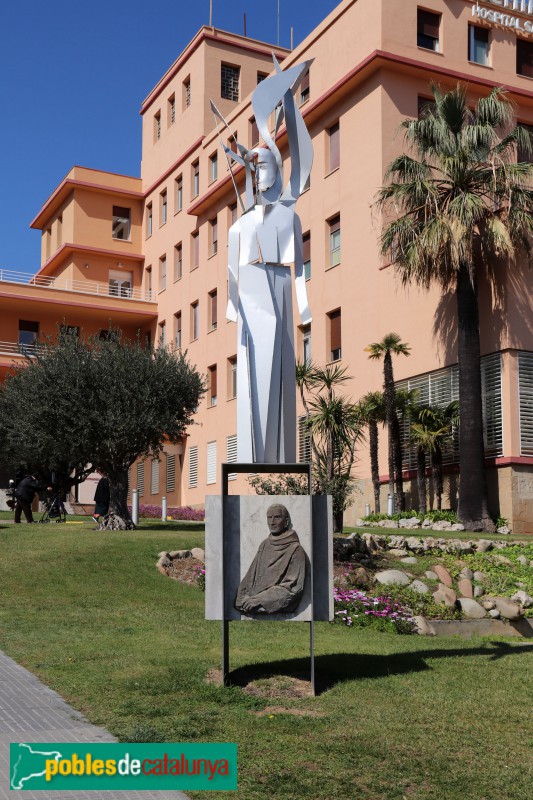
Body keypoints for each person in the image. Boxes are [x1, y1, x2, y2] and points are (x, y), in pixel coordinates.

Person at [235, 504, 306, 615]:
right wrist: (243, 598)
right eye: (269, 517)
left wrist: (260, 600)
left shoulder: (295, 550)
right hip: (251, 600)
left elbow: (293, 588)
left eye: (277, 517)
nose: (272, 522)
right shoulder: (264, 545)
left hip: (268, 603)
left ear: (286, 521)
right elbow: (250, 576)